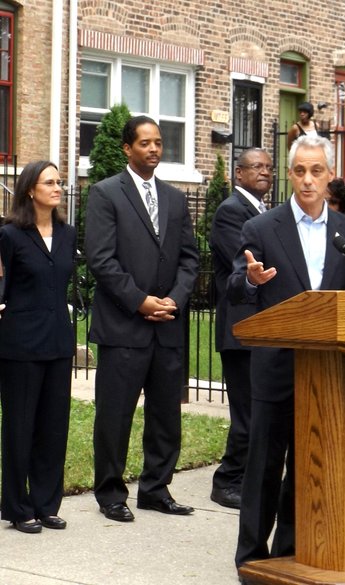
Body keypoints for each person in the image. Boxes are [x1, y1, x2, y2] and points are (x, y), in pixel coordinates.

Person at [230, 135, 345, 574]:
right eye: (300, 171)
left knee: (307, 469)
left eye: (316, 171)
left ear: (329, 176)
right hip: (276, 369)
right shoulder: (262, 229)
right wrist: (250, 279)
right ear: (290, 174)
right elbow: (232, 288)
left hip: (327, 375)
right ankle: (251, 558)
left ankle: (291, 551)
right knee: (264, 469)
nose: (308, 180)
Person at [85, 115, 199, 523]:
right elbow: (101, 258)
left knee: (166, 416)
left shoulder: (175, 198)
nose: (154, 149)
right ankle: (111, 493)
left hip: (167, 326)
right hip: (124, 327)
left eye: (158, 143)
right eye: (145, 143)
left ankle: (155, 489)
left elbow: (190, 257)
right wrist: (140, 301)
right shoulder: (105, 193)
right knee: (114, 415)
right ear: (127, 149)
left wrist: (173, 300)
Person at [0, 161, 76, 534]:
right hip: (20, 344)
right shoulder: (11, 235)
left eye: (59, 181)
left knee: (53, 427)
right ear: (31, 189)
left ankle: (47, 504)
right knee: (20, 427)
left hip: (58, 342)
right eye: (50, 182)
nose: (58, 187)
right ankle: (17, 507)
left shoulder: (68, 233)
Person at [209, 148, 273, 509]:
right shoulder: (231, 212)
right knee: (246, 414)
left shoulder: (262, 211)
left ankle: (250, 477)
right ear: (238, 173)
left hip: (264, 328)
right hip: (240, 328)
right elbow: (249, 264)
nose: (264, 172)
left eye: (268, 167)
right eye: (256, 167)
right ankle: (227, 481)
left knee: (260, 411)